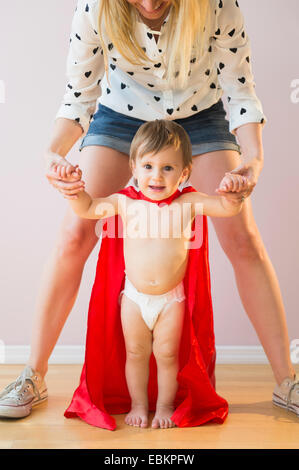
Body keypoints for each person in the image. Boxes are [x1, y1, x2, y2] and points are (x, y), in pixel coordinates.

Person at [0, 0, 298, 420]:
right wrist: (53, 152)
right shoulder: (95, 9)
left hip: (201, 116)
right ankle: (33, 374)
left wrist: (254, 159)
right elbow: (78, 98)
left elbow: (240, 89)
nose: (150, 3)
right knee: (74, 233)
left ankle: (288, 381)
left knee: (243, 237)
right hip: (121, 117)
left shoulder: (216, 6)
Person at [57, 119, 247, 429]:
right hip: (133, 298)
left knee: (167, 354)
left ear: (184, 172)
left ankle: (163, 407)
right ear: (133, 166)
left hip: (172, 300)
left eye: (167, 168)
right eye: (147, 166)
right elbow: (89, 208)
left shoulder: (188, 203)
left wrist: (235, 193)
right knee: (135, 353)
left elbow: (227, 209)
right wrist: (74, 191)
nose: (156, 176)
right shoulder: (125, 203)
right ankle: (138, 405)